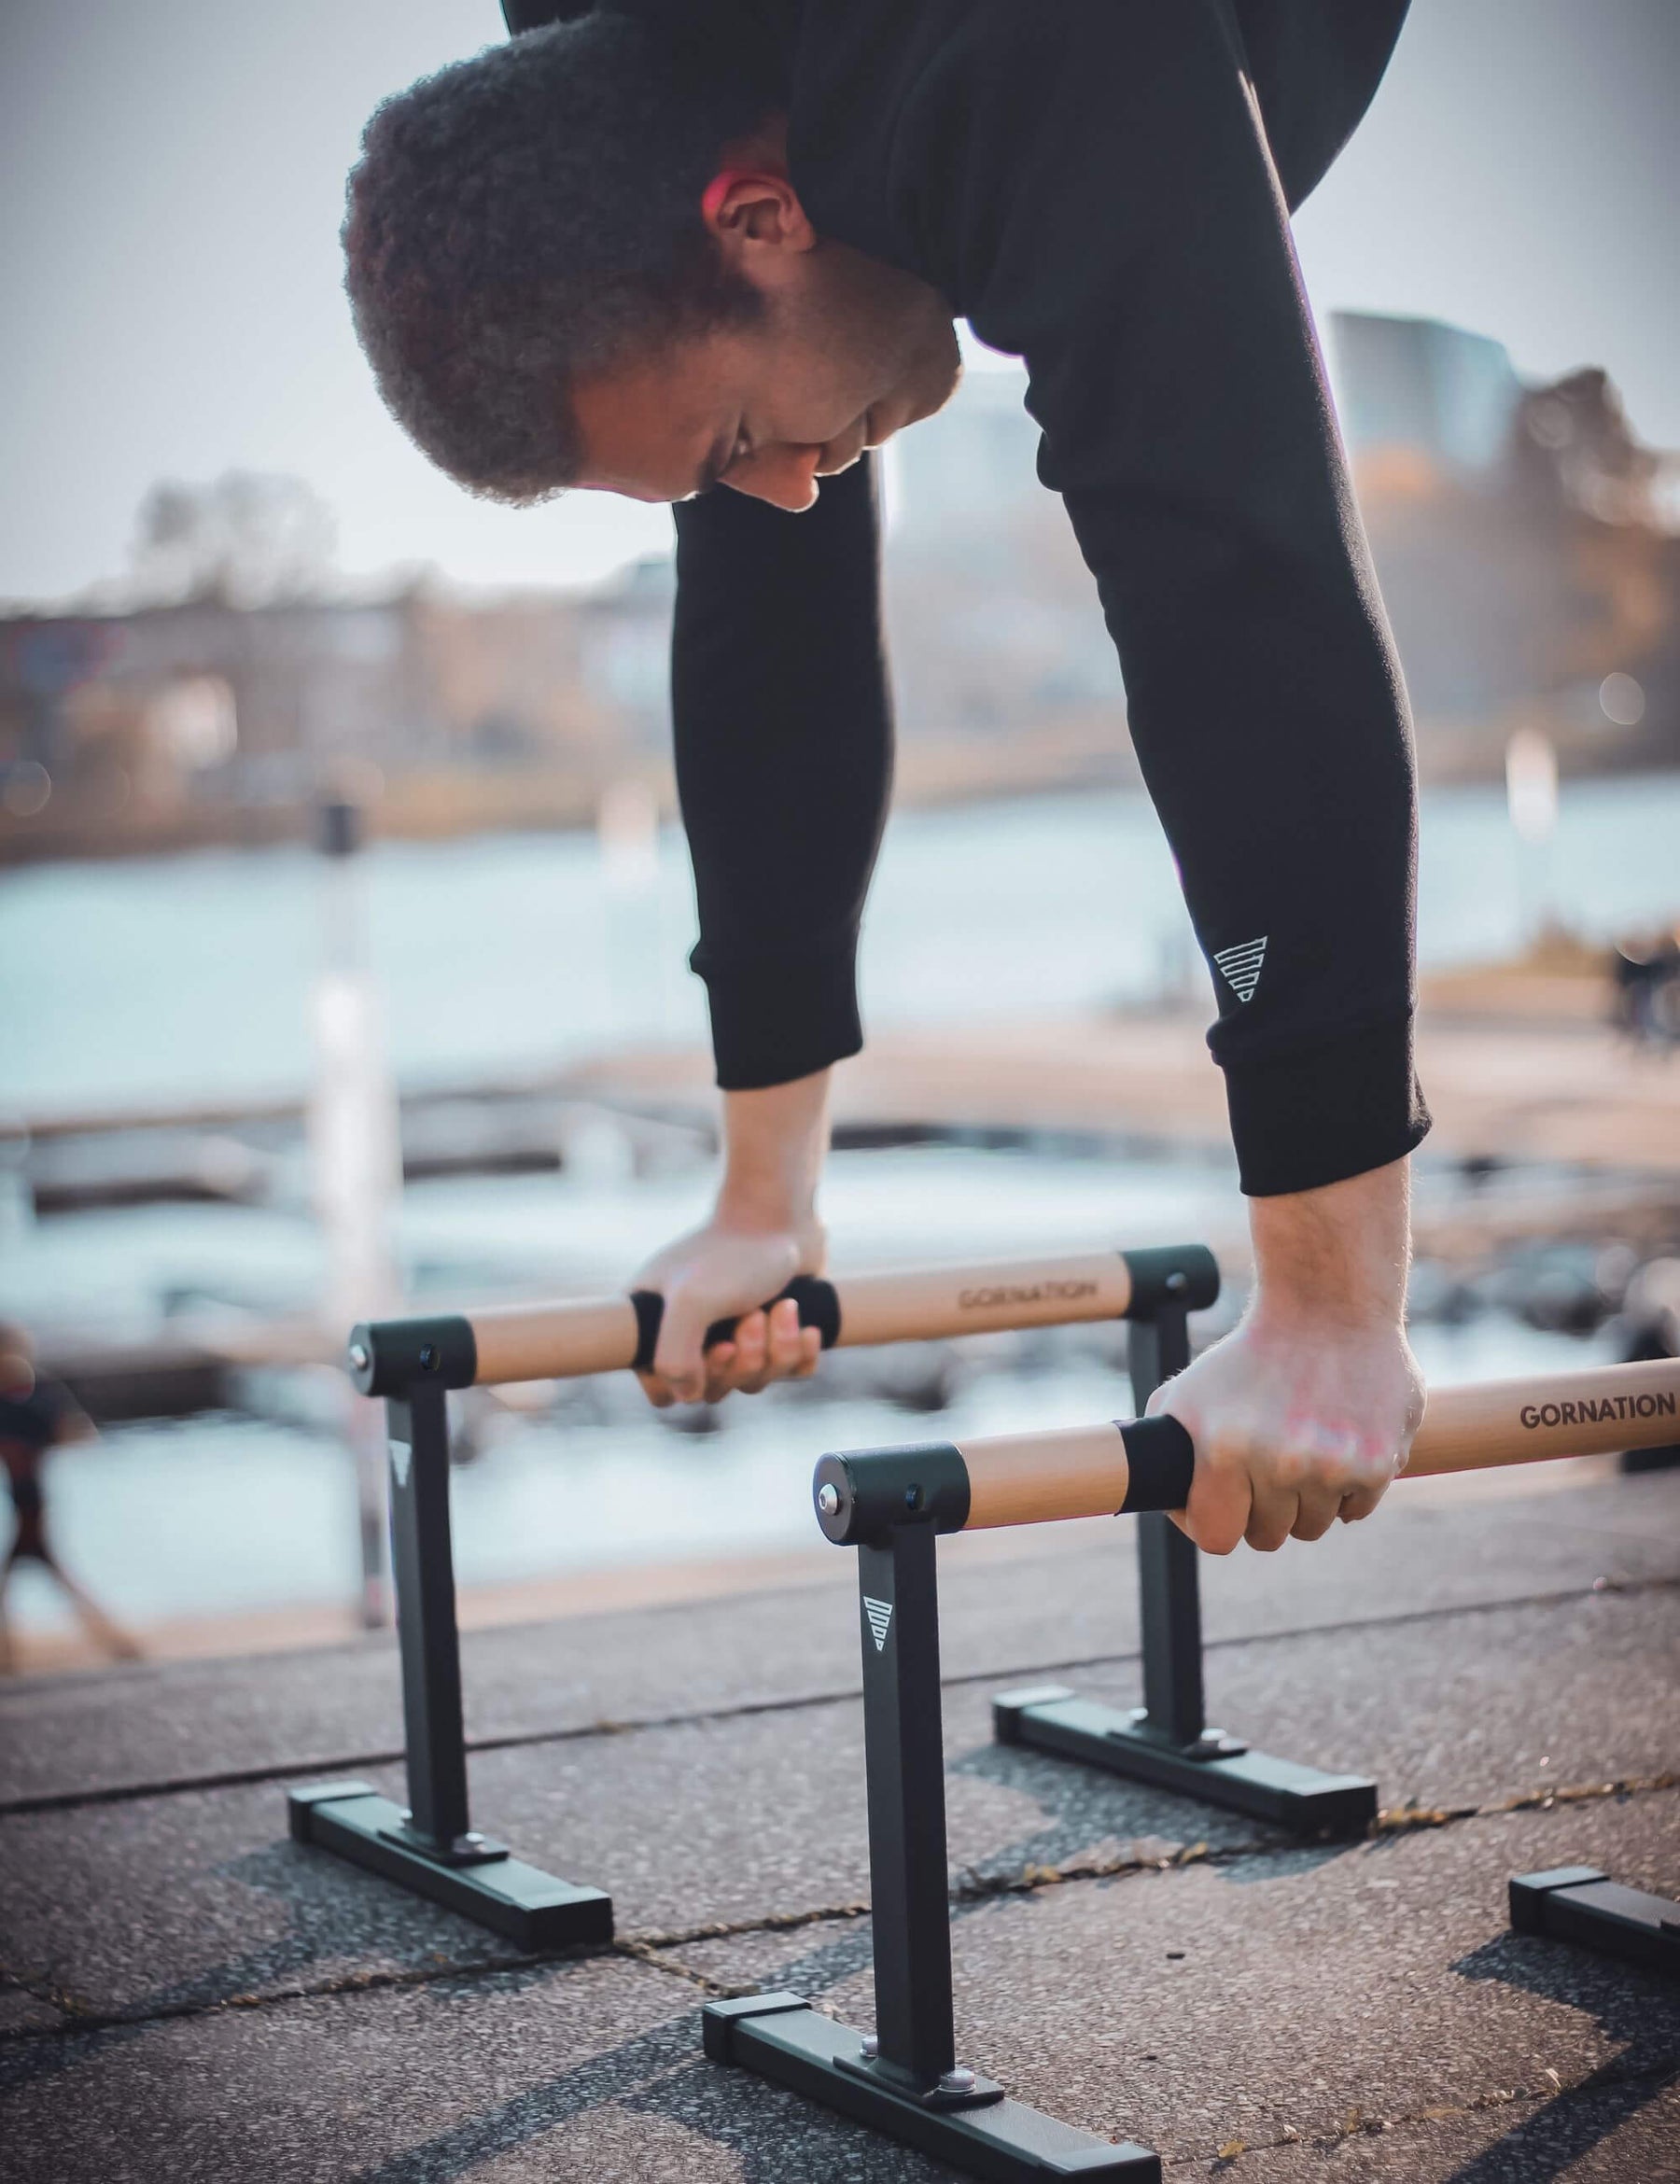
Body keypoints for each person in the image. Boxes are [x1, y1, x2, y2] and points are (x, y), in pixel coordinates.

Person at [343, 0, 1432, 1557]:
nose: (789, 483)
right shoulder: (611, 84)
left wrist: (1330, 1300)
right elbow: (764, 631)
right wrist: (760, 1200)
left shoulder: (1022, 56)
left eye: (731, 438)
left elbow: (1234, 587)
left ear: (763, 214)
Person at [0, 1323, 139, 1672]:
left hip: (32, 1506)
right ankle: (116, 1642)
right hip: (27, 1502)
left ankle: (116, 1641)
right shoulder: (23, 1398)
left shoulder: (36, 1396)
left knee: (49, 1577)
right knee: (53, 1578)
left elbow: (77, 1432)